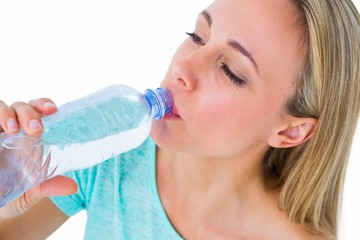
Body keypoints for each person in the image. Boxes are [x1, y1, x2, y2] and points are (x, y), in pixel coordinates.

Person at [0, 0, 359, 239]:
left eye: (231, 70)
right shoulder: (104, 151)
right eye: (197, 36)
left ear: (291, 130)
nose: (182, 67)